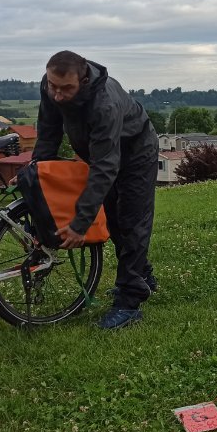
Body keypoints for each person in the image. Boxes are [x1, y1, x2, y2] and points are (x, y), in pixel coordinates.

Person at [32, 50, 159, 329]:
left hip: (136, 152)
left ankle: (129, 303)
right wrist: (37, 176)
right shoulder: (50, 86)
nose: (57, 95)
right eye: (53, 86)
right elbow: (49, 132)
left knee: (131, 219)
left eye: (66, 89)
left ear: (84, 80)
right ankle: (142, 275)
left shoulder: (104, 103)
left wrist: (80, 224)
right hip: (100, 154)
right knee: (112, 219)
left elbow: (105, 167)